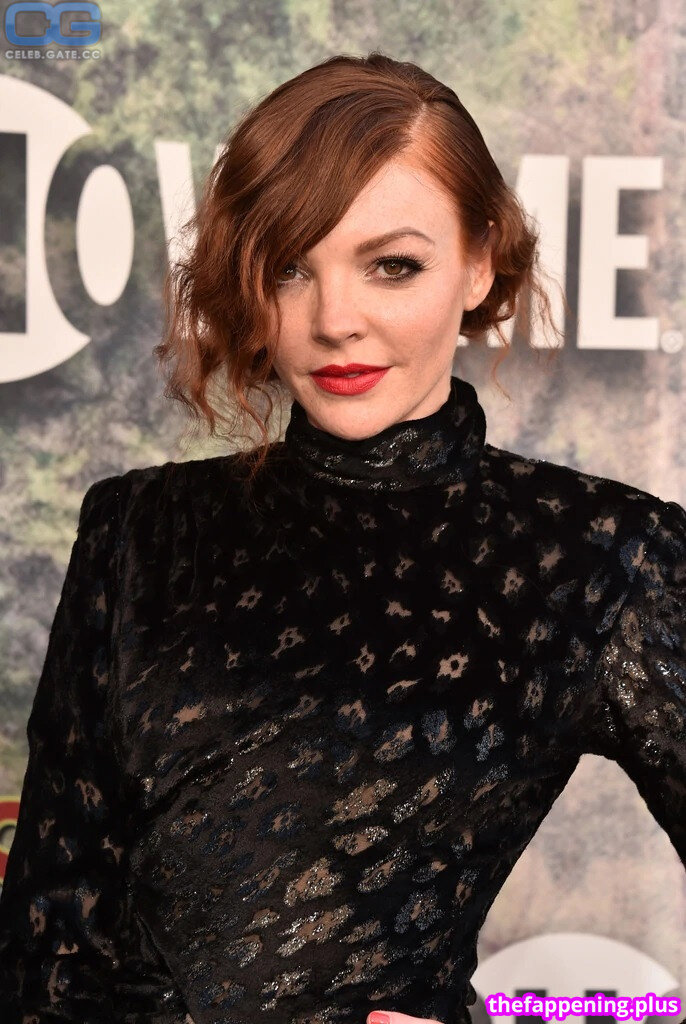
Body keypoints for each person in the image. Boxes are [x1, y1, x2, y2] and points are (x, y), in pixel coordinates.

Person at [0, 50, 684, 1024]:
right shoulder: (138, 528)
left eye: (391, 265)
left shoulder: (601, 556)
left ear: (478, 260)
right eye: (290, 267)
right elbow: (42, 950)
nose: (333, 321)